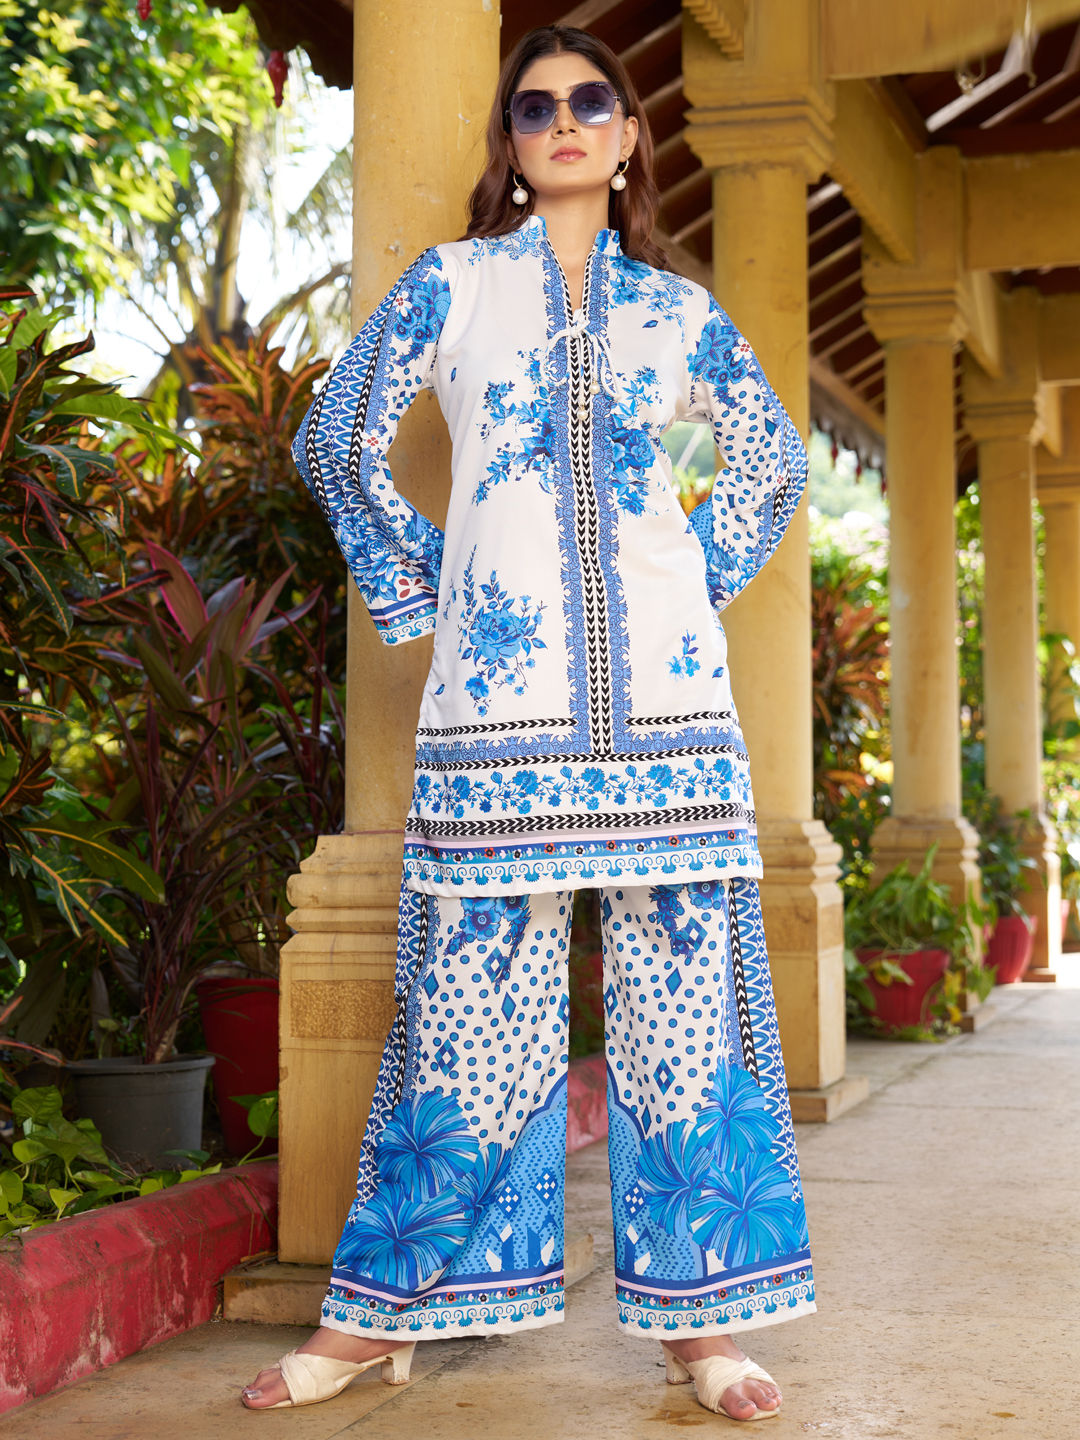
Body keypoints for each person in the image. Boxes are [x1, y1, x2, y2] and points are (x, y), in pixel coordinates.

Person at [242, 23, 815, 1423]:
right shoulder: (457, 288)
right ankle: (381, 1319)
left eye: (592, 101)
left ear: (627, 139)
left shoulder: (675, 319)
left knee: (687, 1025)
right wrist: (426, 583)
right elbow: (336, 435)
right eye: (536, 106)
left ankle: (703, 1331)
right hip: (499, 717)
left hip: (671, 719)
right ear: (511, 144)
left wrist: (677, 569)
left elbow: (756, 462)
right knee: (469, 1021)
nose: (564, 120)